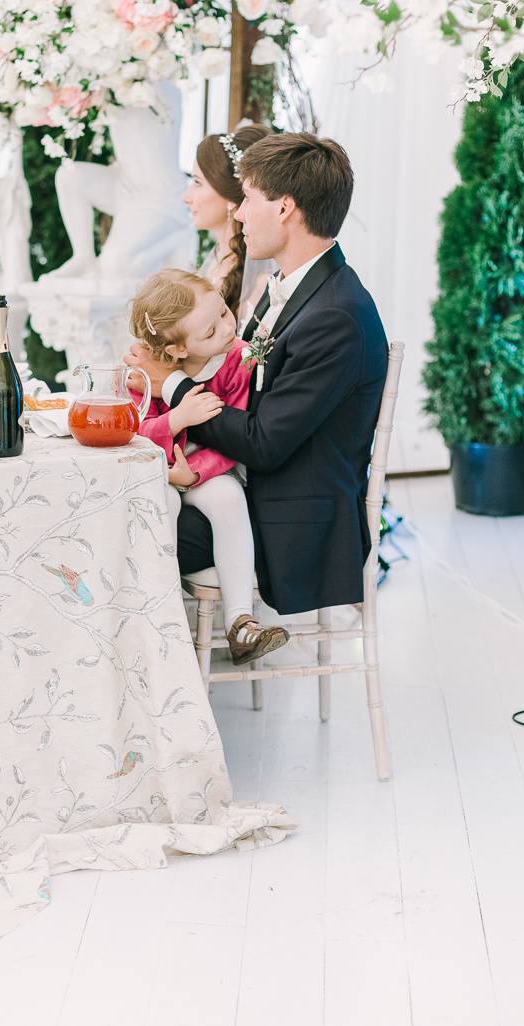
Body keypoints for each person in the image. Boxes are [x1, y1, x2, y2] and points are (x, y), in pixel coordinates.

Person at [126, 131, 388, 637]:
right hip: (249, 494)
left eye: (247, 199)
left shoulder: (337, 316)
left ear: (285, 208)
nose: (239, 213)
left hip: (288, 525)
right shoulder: (287, 289)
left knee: (115, 513)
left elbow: (264, 444)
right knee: (117, 494)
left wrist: (172, 385)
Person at [128, 270, 289, 664]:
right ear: (177, 350)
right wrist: (175, 422)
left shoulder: (238, 360)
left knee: (230, 499)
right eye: (209, 329)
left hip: (209, 469)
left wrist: (195, 473)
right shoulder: (144, 369)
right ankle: (155, 614)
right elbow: (136, 429)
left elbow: (236, 438)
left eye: (222, 311)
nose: (226, 327)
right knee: (162, 502)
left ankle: (240, 622)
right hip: (162, 468)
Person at [185, 124, 275, 323]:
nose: (186, 197)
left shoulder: (261, 283)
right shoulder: (215, 264)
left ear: (230, 196)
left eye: (197, 183)